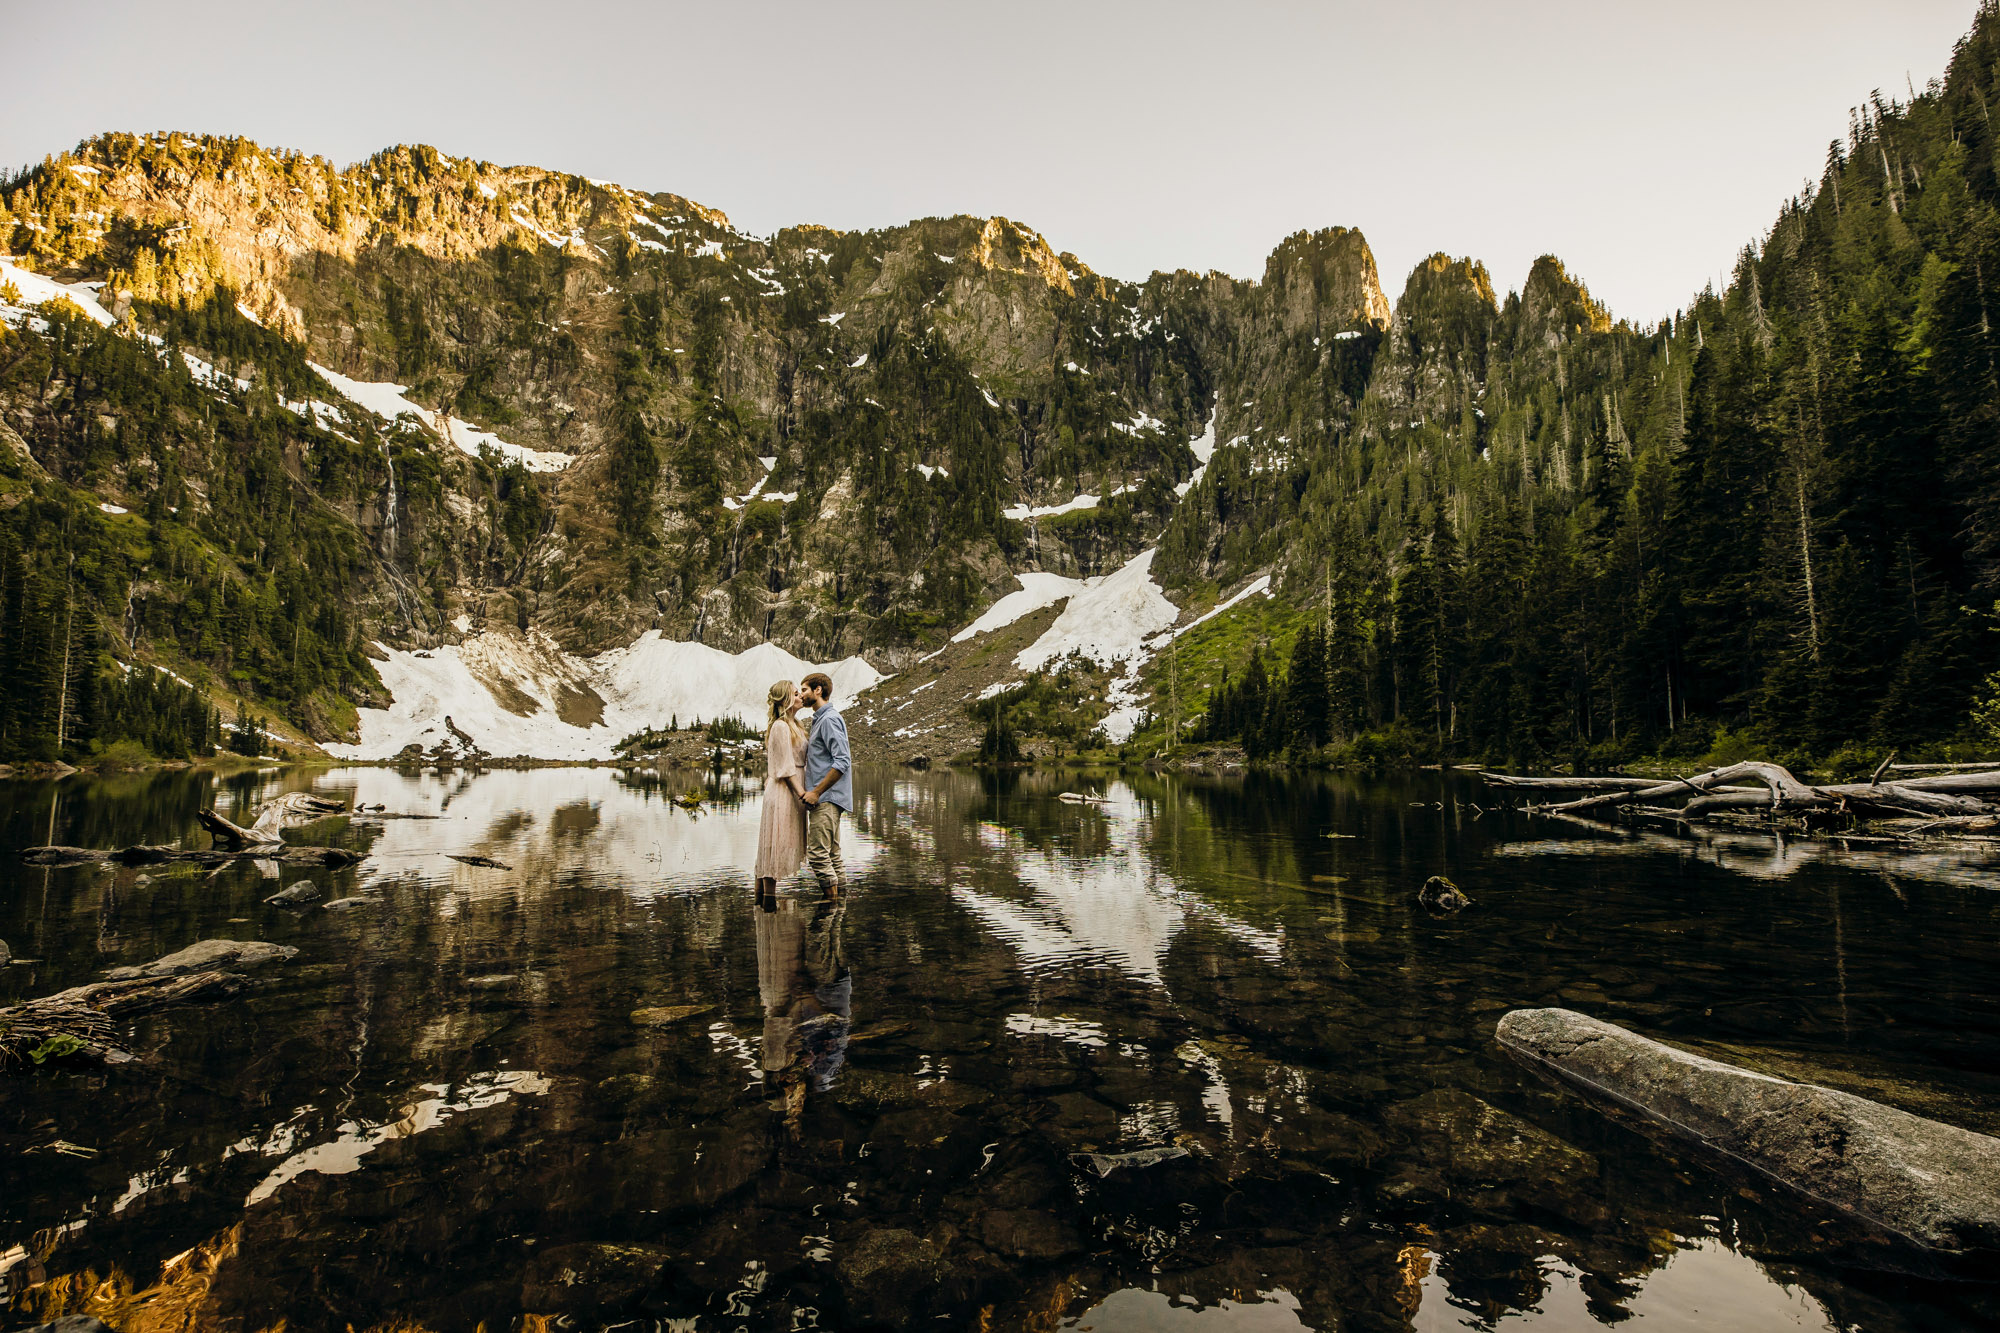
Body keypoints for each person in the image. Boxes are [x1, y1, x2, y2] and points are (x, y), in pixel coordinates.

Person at [754, 679, 809, 904]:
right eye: (796, 694)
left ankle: (762, 902)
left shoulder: (795, 724)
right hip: (784, 791)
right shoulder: (780, 726)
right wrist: (802, 794)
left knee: (775, 844)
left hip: (792, 789)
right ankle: (767, 903)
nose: (800, 697)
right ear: (786, 700)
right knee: (773, 845)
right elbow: (785, 767)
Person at [798, 671, 852, 897]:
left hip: (827, 799)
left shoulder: (829, 719)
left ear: (817, 690)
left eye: (804, 690)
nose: (800, 695)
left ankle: (829, 912)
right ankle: (838, 911)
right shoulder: (821, 719)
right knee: (832, 854)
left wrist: (816, 793)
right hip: (829, 798)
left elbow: (843, 761)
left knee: (818, 855)